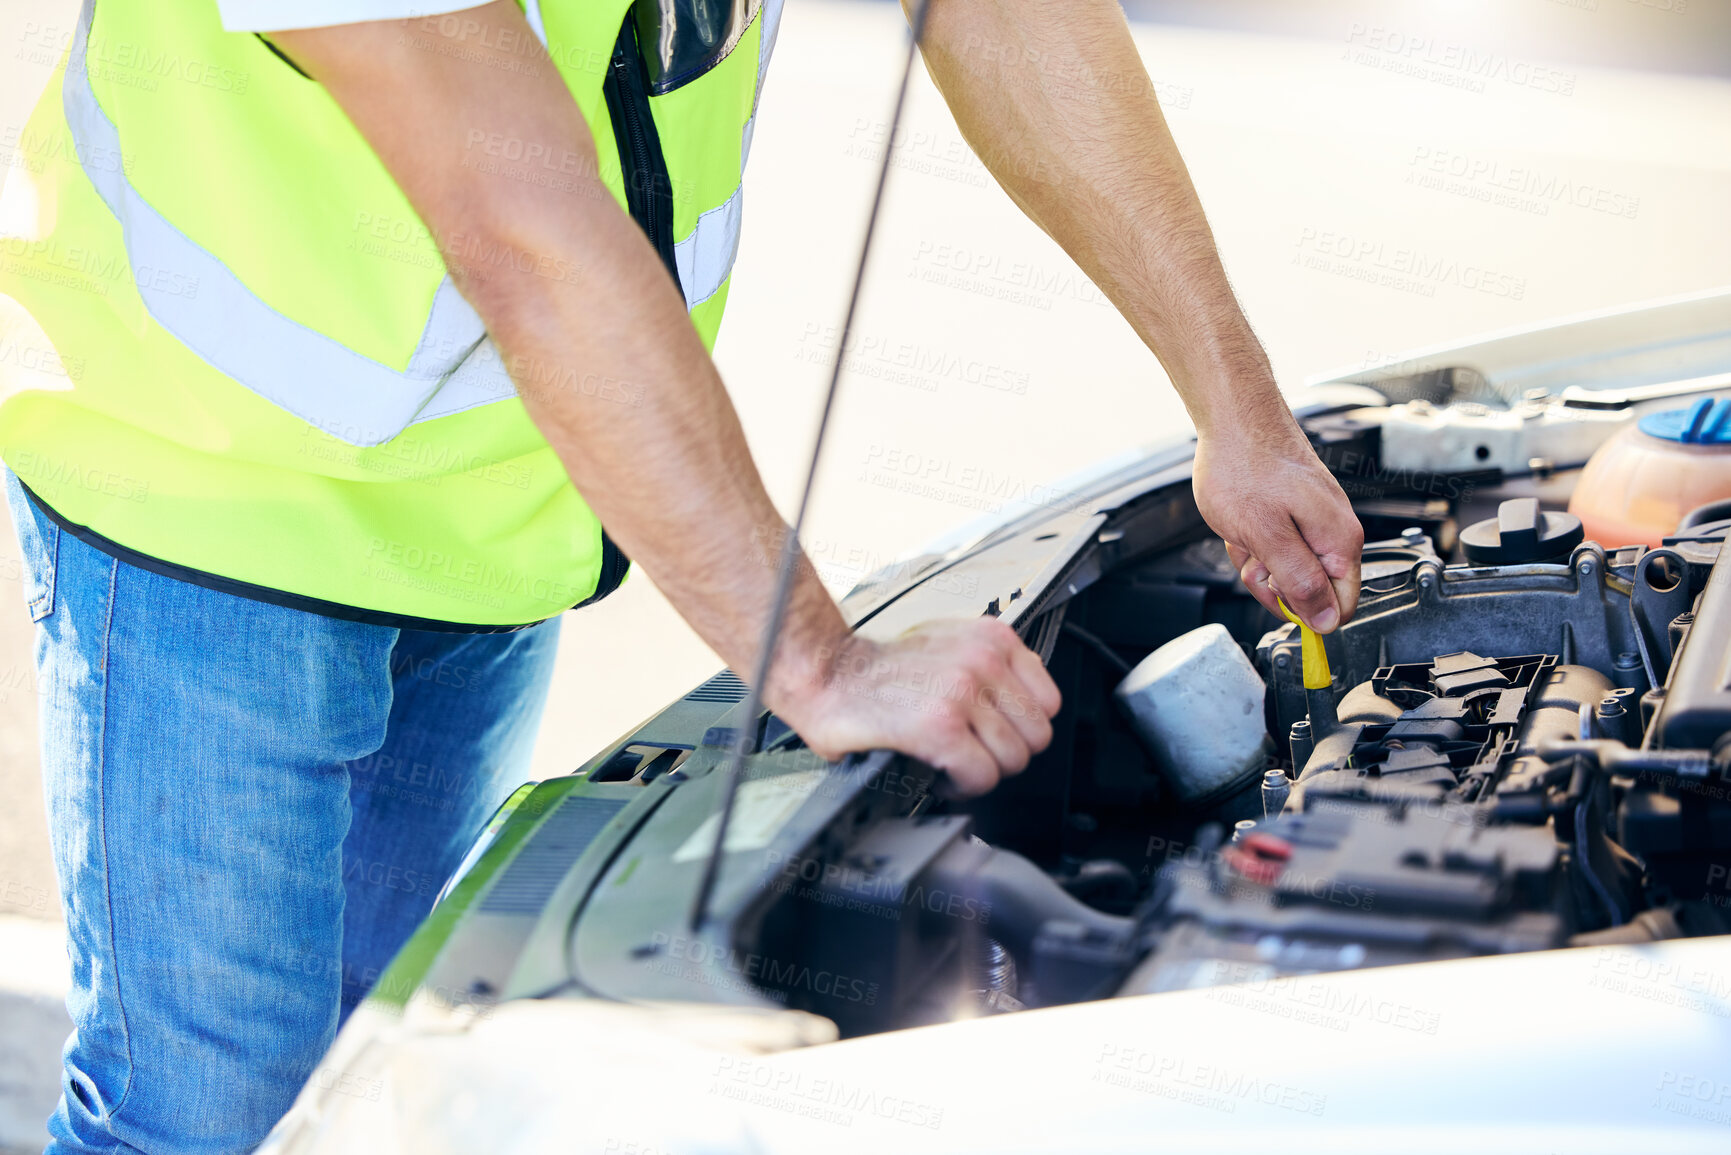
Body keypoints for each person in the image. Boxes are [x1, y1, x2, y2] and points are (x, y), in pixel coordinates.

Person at [0, 0, 1362, 1149]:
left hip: (493, 517)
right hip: (212, 496)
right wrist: (819, 664)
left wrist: (1233, 405)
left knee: (377, 1086)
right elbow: (519, 222)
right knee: (206, 1116)